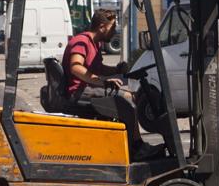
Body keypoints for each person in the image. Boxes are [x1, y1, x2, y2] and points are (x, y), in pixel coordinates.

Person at [62, 9, 160, 161]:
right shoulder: (81, 42)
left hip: (89, 89)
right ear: (102, 27)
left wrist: (116, 70)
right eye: (112, 27)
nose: (114, 31)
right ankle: (137, 148)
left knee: (130, 97)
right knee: (126, 99)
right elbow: (76, 67)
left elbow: (99, 69)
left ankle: (129, 144)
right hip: (79, 92)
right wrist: (103, 82)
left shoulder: (95, 44)